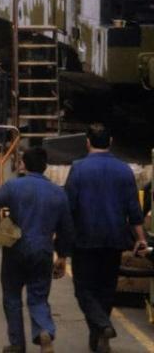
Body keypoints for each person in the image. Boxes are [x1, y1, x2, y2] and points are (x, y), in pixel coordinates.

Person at [0, 147, 75, 353]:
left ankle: (17, 344)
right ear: (45, 167)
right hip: (43, 251)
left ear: (23, 165)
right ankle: (44, 331)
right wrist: (62, 256)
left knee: (11, 296)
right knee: (38, 296)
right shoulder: (59, 193)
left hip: (16, 249)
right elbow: (67, 230)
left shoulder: (14, 187)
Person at [64, 123, 148, 353]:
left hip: (85, 239)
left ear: (87, 142)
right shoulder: (124, 170)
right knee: (106, 288)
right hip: (115, 238)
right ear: (110, 142)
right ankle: (99, 339)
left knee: (83, 289)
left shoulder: (78, 168)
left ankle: (102, 325)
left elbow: (68, 205)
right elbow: (134, 209)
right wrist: (141, 239)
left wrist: (60, 237)